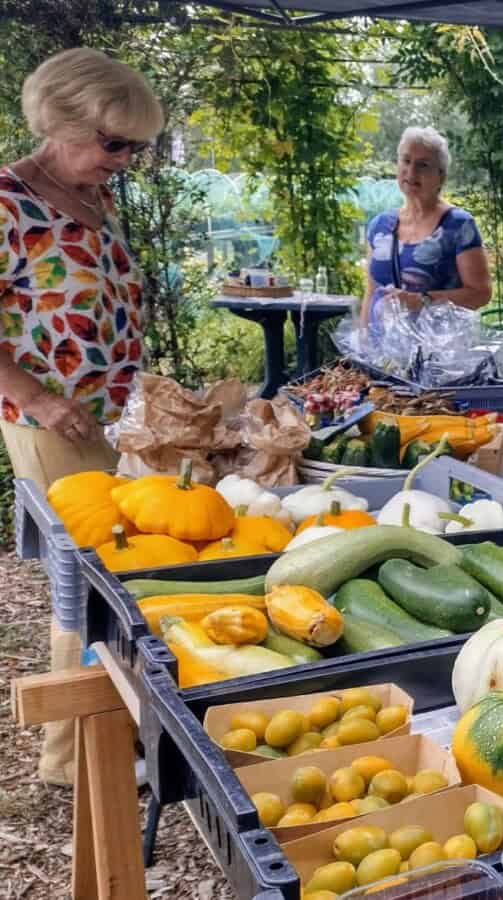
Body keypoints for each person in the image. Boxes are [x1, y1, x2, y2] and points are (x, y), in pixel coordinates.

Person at [1, 47, 163, 785]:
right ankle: (72, 755)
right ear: (62, 121)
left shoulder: (90, 196)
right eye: (113, 143)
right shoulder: (9, 201)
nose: (125, 160)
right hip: (48, 420)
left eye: (135, 146)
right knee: (84, 571)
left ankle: (108, 726)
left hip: (101, 416)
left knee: (113, 566)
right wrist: (36, 397)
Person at [360, 126, 491, 333]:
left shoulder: (458, 225)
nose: (411, 172)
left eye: (423, 165)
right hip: (383, 358)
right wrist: (364, 342)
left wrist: (422, 301)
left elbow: (480, 293)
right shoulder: (379, 226)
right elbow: (371, 292)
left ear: (441, 176)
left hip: (439, 355)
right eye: (406, 161)